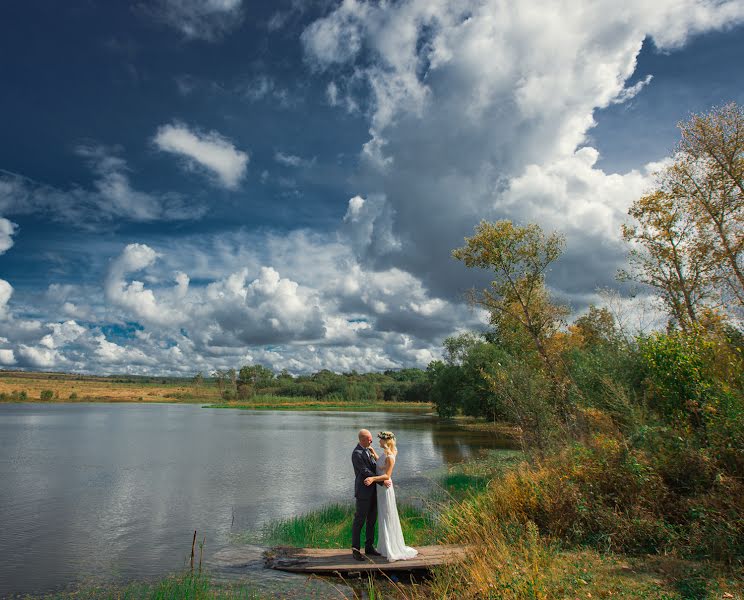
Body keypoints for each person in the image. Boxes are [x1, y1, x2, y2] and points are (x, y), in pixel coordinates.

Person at [365, 431, 418, 561]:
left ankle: (391, 549)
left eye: (380, 440)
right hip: (381, 489)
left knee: (386, 517)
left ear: (385, 441)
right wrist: (373, 453)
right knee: (383, 516)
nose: (378, 442)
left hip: (385, 489)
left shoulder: (390, 456)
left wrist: (372, 478)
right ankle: (384, 547)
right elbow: (381, 465)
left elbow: (387, 475)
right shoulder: (387, 454)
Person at [351, 428, 392, 561]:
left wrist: (383, 476)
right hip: (363, 492)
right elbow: (364, 471)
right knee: (359, 522)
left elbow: (376, 467)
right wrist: (382, 481)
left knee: (371, 521)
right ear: (362, 439)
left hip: (374, 492)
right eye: (369, 439)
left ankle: (369, 547)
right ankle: (356, 550)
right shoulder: (357, 453)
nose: (372, 440)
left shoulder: (368, 451)